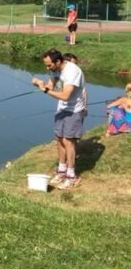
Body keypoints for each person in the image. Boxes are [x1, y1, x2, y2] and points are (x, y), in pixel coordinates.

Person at [31, 48, 86, 190]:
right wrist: (41, 84)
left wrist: (46, 90)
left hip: (74, 111)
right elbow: (50, 86)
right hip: (61, 109)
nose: (47, 68)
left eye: (49, 65)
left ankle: (71, 175)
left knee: (69, 141)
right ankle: (62, 171)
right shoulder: (56, 70)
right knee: (59, 139)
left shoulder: (72, 72)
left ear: (58, 61)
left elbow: (66, 95)